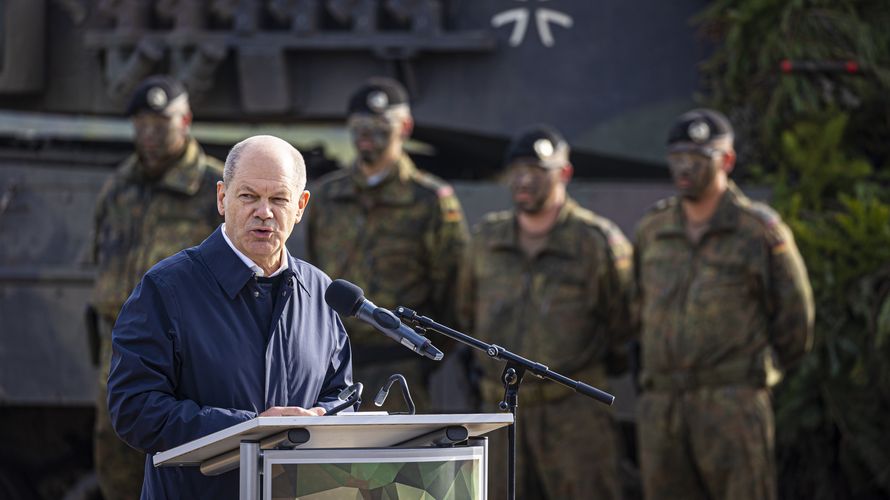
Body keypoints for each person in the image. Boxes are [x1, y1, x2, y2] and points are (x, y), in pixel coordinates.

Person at [106, 135, 353, 499]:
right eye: (249, 196)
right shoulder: (167, 289)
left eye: (279, 199)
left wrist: (322, 419)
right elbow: (134, 409)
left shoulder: (319, 291)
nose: (264, 212)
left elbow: (341, 393)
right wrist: (250, 428)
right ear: (222, 198)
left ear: (300, 206)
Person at [633, 109, 814, 500]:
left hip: (733, 401)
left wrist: (753, 376)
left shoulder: (758, 230)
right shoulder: (653, 230)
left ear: (726, 161)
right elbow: (633, 307)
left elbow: (795, 320)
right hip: (662, 405)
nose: (684, 168)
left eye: (698, 159)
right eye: (677, 158)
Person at [456, 125, 632, 499]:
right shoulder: (486, 241)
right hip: (500, 411)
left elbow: (623, 323)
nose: (523, 180)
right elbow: (466, 313)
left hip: (573, 414)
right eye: (516, 170)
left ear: (563, 173)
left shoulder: (596, 242)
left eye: (537, 171)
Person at [88, 75, 224, 500]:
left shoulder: (214, 187)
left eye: (160, 124)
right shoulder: (119, 186)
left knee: (189, 460)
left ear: (184, 121)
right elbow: (100, 252)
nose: (149, 134)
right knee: (116, 458)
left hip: (188, 348)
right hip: (120, 348)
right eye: (141, 123)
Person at [305, 77, 468, 412]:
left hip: (400, 368)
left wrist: (427, 353)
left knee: (397, 464)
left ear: (405, 127)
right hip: (332, 364)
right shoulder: (327, 196)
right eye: (360, 126)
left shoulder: (430, 200)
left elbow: (455, 290)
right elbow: (313, 274)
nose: (367, 135)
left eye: (380, 126)